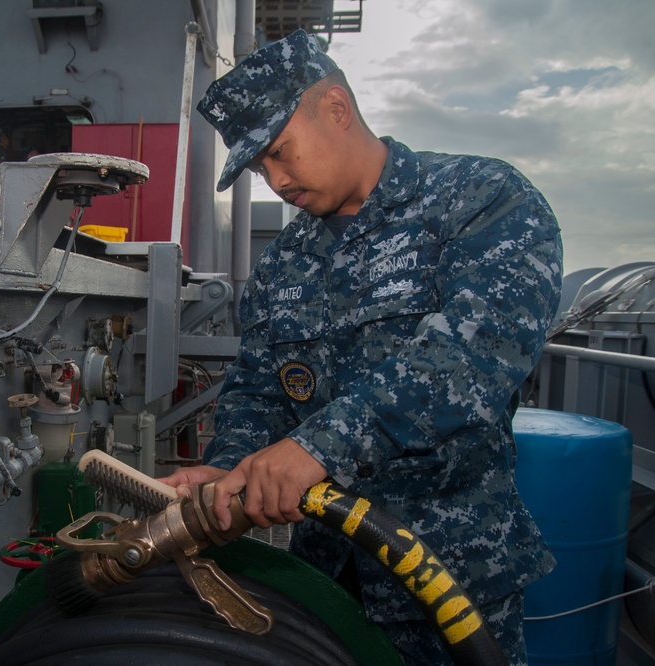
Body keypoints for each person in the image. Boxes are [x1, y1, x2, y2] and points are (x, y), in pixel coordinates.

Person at [160, 29, 563, 665]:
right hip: (327, 586)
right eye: (260, 167)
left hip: (454, 583)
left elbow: (473, 357)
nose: (276, 180)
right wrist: (231, 470)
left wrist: (315, 449)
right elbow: (261, 389)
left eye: (280, 151)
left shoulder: (479, 200)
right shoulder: (283, 265)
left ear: (337, 110)